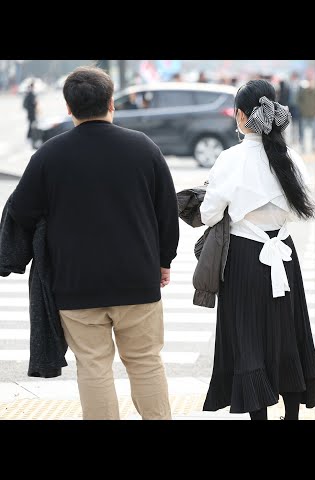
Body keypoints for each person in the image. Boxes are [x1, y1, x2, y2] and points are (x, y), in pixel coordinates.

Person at [8, 66, 180, 420]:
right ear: (111, 103)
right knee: (146, 363)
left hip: (75, 282)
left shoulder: (49, 155)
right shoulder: (143, 148)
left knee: (93, 367)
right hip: (137, 278)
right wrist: (164, 261)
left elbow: (21, 210)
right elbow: (167, 210)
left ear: (68, 107)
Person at [199, 79, 315, 420]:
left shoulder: (230, 158)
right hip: (284, 252)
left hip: (244, 256)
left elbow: (208, 214)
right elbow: (302, 209)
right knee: (288, 334)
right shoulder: (291, 157)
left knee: (248, 338)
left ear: (241, 116)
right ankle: (293, 415)